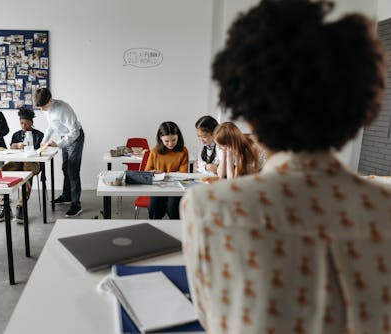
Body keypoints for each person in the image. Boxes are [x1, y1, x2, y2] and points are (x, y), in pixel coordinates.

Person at [181, 1, 388, 333]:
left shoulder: (209, 207)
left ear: (246, 106)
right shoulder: (383, 207)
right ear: (360, 105)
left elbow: (212, 318)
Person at [34, 88, 85, 218]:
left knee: (72, 169)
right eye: (40, 108)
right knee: (65, 168)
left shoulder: (64, 109)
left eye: (43, 107)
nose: (42, 110)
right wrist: (44, 141)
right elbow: (51, 126)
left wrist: (58, 144)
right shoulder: (47, 109)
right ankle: (66, 196)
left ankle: (76, 204)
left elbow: (74, 132)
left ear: (50, 100)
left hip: (75, 138)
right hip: (63, 137)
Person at [0, 108, 44, 223]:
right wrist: (16, 145)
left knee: (27, 174)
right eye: (21, 123)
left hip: (32, 163)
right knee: (2, 172)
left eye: (26, 123)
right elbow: (10, 148)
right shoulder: (16, 135)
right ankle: (4, 205)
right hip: (16, 161)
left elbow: (42, 150)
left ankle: (21, 206)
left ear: (32, 122)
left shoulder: (39, 135)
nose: (23, 126)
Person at [145, 121, 188, 219]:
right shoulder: (155, 151)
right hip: (158, 187)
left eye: (173, 140)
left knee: (174, 208)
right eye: (166, 141)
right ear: (161, 139)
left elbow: (183, 173)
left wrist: (164, 173)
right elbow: (147, 171)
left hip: (176, 187)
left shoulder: (183, 151)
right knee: (154, 209)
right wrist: (152, 172)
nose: (170, 144)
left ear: (178, 137)